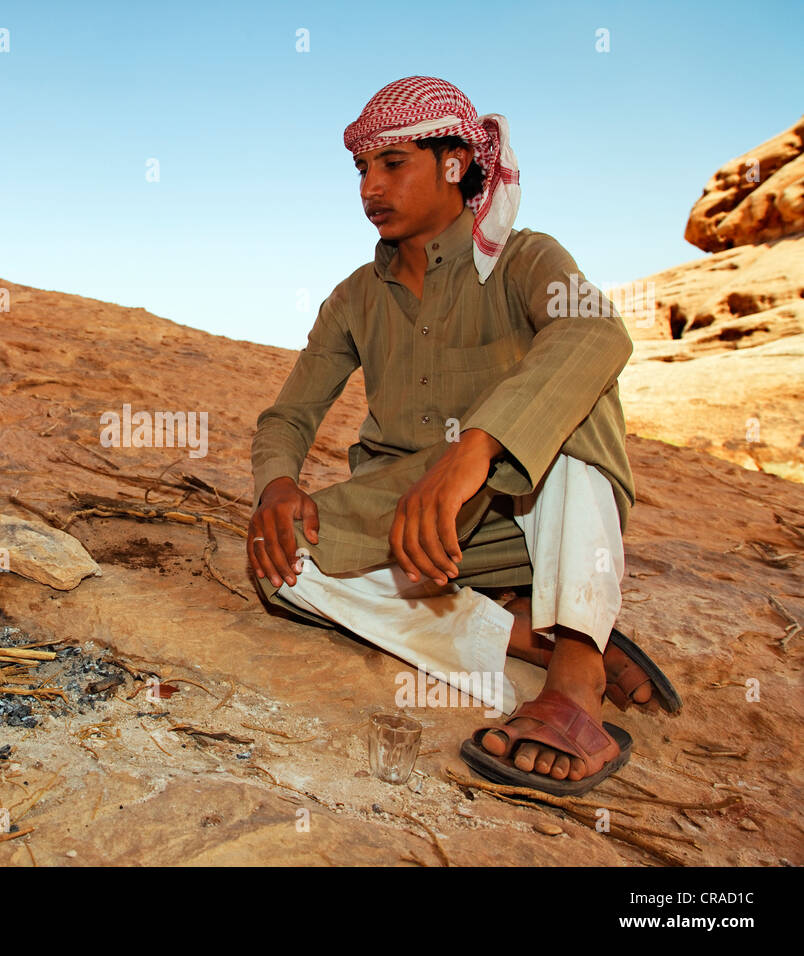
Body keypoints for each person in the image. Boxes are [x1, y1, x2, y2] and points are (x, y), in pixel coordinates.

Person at [247, 76, 680, 796]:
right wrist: (277, 483)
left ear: (454, 165)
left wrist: (474, 448)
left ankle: (576, 677)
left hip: (526, 508)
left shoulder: (525, 258)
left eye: (393, 164)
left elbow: (597, 331)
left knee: (577, 396)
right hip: (417, 525)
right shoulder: (355, 296)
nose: (369, 188)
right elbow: (288, 416)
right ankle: (527, 636)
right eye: (361, 168)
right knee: (283, 566)